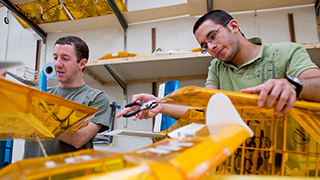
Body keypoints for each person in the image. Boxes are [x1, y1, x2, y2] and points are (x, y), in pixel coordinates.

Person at [116, 9, 320, 120]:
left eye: (213, 36)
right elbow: (203, 110)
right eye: (205, 46)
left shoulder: (286, 51)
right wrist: (159, 104)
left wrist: (293, 84)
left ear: (233, 26)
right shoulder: (217, 67)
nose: (211, 47)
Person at [24, 36, 110, 158]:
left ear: (82, 64)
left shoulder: (96, 98)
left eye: (65, 58)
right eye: (55, 58)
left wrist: (43, 117)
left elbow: (79, 139)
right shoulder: (38, 95)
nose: (58, 64)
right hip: (31, 174)